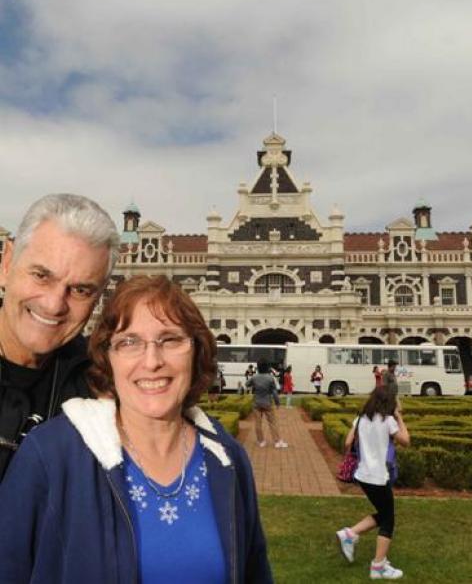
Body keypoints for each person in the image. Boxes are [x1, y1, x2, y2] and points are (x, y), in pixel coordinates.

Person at [0, 275, 272, 583]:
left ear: (197, 351)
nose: (152, 361)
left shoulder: (227, 457)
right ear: (107, 357)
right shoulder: (51, 455)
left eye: (170, 339)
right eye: (129, 342)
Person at [0, 193, 119, 480]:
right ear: (6, 264)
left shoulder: (101, 384)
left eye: (80, 290)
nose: (54, 304)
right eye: (41, 275)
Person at [336, 387, 410, 580]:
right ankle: (378, 566)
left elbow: (347, 443)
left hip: (363, 475)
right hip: (378, 476)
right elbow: (406, 440)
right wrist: (399, 417)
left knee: (384, 513)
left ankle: (350, 534)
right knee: (388, 519)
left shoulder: (360, 419)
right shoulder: (389, 421)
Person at [246, 358, 288, 448]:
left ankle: (261, 441)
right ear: (267, 367)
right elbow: (274, 392)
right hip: (267, 402)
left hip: (256, 402)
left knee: (258, 423)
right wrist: (277, 403)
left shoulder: (254, 377)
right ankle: (277, 442)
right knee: (272, 422)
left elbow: (247, 384)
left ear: (258, 367)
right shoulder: (270, 378)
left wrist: (254, 384)